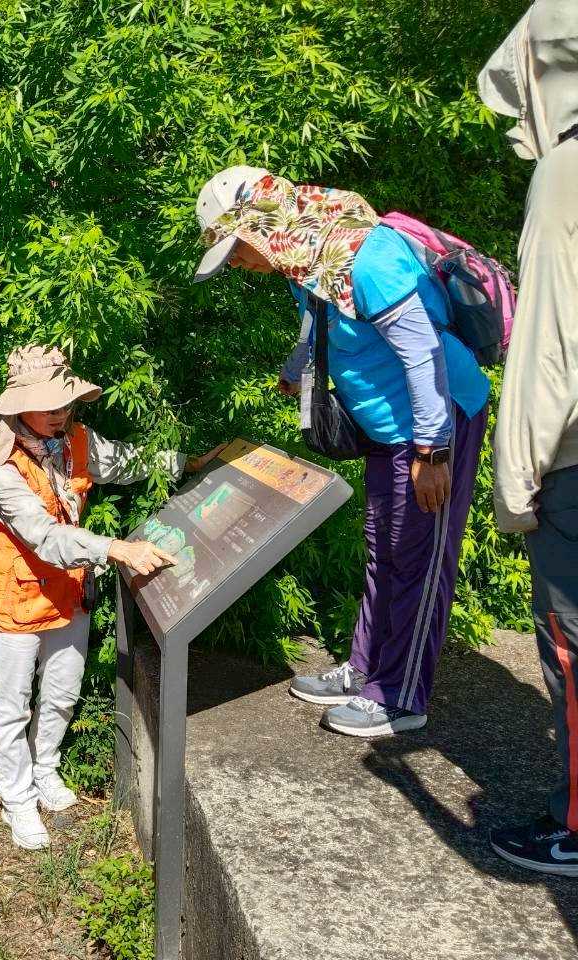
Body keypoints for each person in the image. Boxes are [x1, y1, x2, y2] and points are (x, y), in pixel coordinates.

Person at [194, 166, 491, 738]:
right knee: (384, 550)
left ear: (261, 224)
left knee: (420, 557)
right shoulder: (305, 257)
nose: (235, 262)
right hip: (384, 427)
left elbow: (422, 355)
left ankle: (401, 696)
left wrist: (433, 453)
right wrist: (294, 369)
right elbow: (321, 321)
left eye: (235, 248)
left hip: (433, 423)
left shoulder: (365, 256)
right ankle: (364, 670)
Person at [0, 345, 201, 850]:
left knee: (62, 690)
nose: (60, 412)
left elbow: (124, 462)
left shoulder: (74, 440)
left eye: (65, 402)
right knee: (12, 706)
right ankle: (17, 799)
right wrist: (115, 548)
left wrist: (187, 461)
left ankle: (46, 769)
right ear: (19, 408)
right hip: (14, 599)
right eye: (49, 404)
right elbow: (45, 537)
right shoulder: (3, 470)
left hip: (68, 593)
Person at [477, 3, 578, 875]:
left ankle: (576, 827)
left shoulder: (566, 174)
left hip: (576, 465)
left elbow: (548, 347)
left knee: (572, 647)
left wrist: (517, 483)